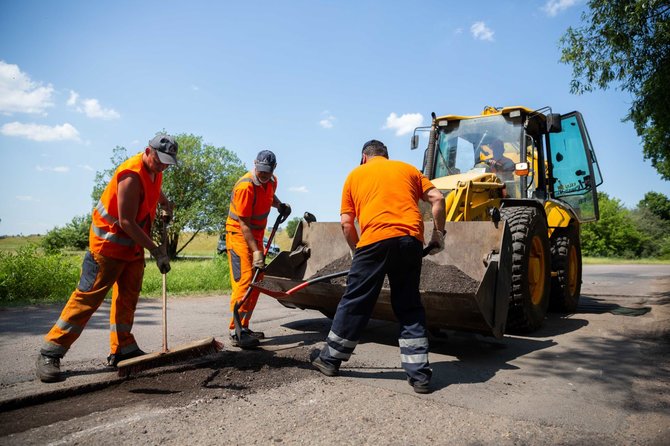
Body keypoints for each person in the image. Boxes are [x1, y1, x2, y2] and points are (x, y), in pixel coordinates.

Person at [36, 134, 178, 383]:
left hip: (133, 249)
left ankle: (123, 349)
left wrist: (165, 203)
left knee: (128, 298)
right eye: (160, 160)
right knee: (87, 299)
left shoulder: (156, 170)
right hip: (107, 248)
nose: (163, 165)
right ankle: (51, 351)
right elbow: (126, 222)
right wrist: (157, 251)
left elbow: (154, 188)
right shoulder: (130, 175)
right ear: (148, 151)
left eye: (168, 162)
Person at [310, 139, 446, 394]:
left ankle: (329, 360)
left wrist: (356, 249)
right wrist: (439, 235)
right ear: (386, 156)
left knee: (356, 300)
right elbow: (437, 198)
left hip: (374, 241)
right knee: (408, 304)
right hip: (410, 241)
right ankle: (419, 376)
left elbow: (347, 224)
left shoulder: (355, 175)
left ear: (364, 157)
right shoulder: (408, 169)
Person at [225, 150, 291, 348]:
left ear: (273, 169)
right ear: (255, 164)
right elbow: (244, 224)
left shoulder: (271, 181)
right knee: (245, 281)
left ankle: (243, 327)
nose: (263, 175)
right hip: (239, 236)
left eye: (267, 172)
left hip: (256, 236)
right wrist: (256, 252)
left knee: (257, 281)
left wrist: (280, 205)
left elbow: (269, 195)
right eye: (260, 171)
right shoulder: (245, 187)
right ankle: (235, 331)